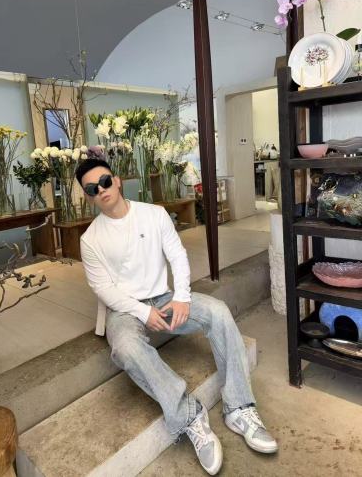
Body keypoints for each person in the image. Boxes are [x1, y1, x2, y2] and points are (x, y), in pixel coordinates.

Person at [77, 158, 278, 475]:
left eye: (104, 181)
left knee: (217, 311)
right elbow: (103, 289)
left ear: (116, 180)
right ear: (88, 197)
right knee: (126, 348)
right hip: (125, 309)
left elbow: (177, 255)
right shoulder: (90, 239)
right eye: (91, 189)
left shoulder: (153, 214)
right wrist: (143, 311)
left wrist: (182, 297)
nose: (100, 190)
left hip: (165, 297)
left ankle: (239, 408)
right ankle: (189, 416)